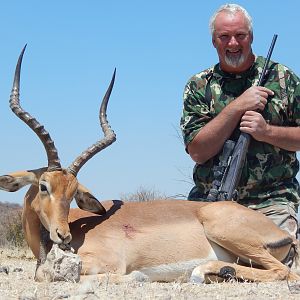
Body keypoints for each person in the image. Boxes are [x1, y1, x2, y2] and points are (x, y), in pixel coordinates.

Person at [180, 3, 300, 239]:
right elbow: (197, 151)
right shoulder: (198, 85)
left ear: (251, 37)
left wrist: (266, 132)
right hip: (210, 202)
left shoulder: (284, 78)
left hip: (271, 201)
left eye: (240, 35)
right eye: (224, 36)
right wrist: (236, 107)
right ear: (214, 41)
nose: (233, 43)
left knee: (272, 254)